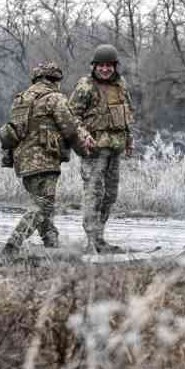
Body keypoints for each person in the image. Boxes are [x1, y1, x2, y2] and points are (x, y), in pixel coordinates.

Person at [0, 61, 95, 256]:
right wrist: (85, 153)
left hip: (22, 162)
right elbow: (70, 130)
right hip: (44, 161)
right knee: (44, 205)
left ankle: (52, 246)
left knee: (42, 206)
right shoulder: (55, 98)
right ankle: (13, 244)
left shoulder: (21, 99)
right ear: (56, 80)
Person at [68, 44, 135, 253]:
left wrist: (129, 140)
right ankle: (90, 241)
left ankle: (99, 238)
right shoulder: (85, 86)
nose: (105, 69)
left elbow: (127, 113)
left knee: (110, 195)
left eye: (109, 66)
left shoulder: (121, 85)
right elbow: (71, 116)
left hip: (114, 149)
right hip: (94, 151)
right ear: (94, 66)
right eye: (101, 66)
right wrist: (83, 134)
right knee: (93, 194)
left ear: (115, 67)